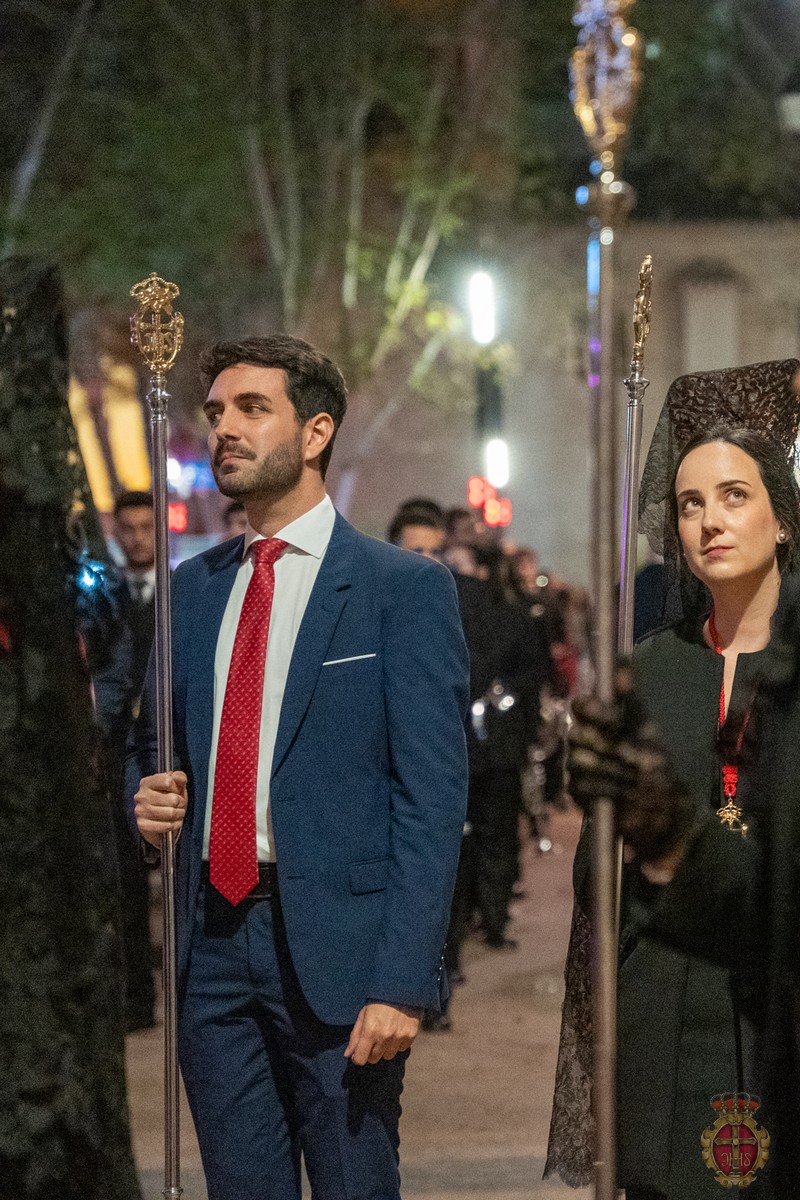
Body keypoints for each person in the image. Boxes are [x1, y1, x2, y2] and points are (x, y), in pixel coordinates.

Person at [127, 335, 469, 1200]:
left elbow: (431, 799)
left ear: (316, 432)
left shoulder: (401, 588)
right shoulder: (192, 590)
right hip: (211, 949)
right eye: (216, 412)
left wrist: (403, 980)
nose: (224, 430)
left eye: (252, 409)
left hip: (342, 959)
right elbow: (150, 746)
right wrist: (144, 799)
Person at [547, 358, 800, 1200]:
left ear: (783, 519)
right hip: (662, 993)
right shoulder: (650, 670)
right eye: (690, 504)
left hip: (775, 999)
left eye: (733, 496)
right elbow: (598, 875)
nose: (709, 521)